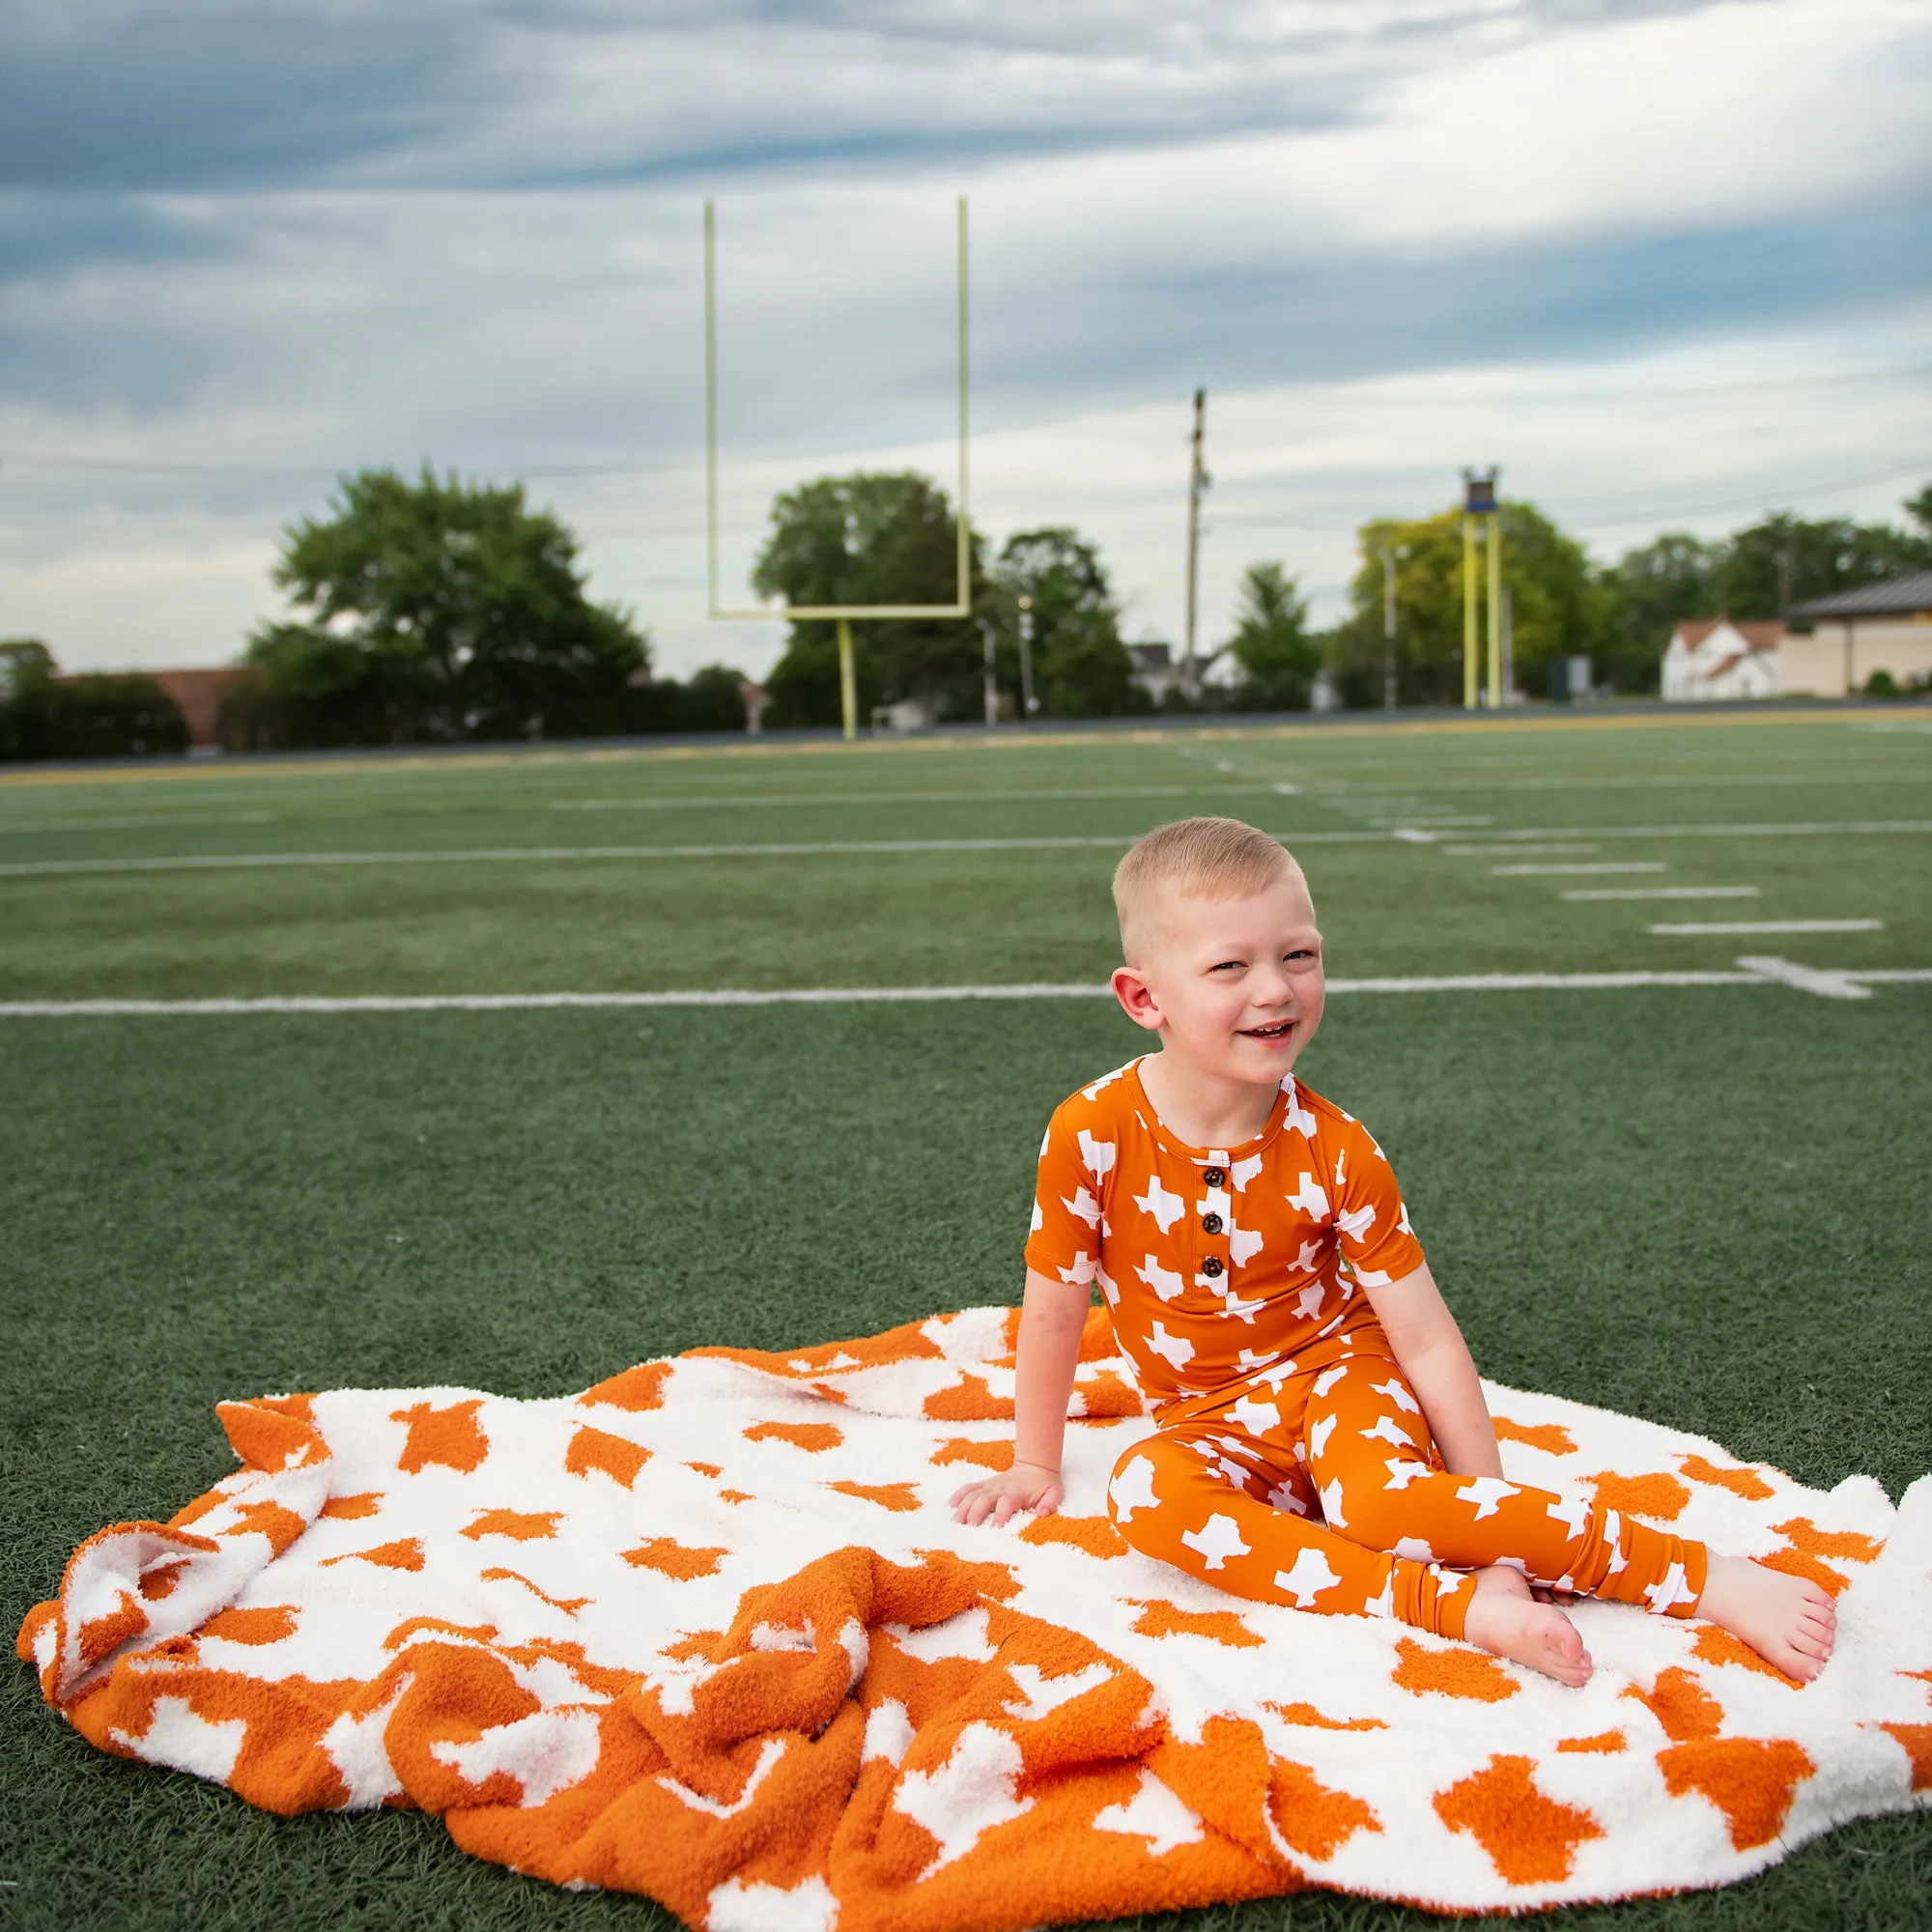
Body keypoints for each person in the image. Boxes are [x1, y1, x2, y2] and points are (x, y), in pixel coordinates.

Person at [951, 817, 1835, 1686]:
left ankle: (1703, 1576)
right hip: (1208, 1423)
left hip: (1342, 1378)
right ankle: (1445, 1611)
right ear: (1145, 998)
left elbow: (1424, 1341)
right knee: (1143, 1491)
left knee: (1375, 1504)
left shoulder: (1338, 1149)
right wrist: (1034, 1459)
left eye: (1299, 955)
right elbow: (1058, 1302)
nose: (1276, 990)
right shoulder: (1091, 1132)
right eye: (1231, 966)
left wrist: (1495, 1545)